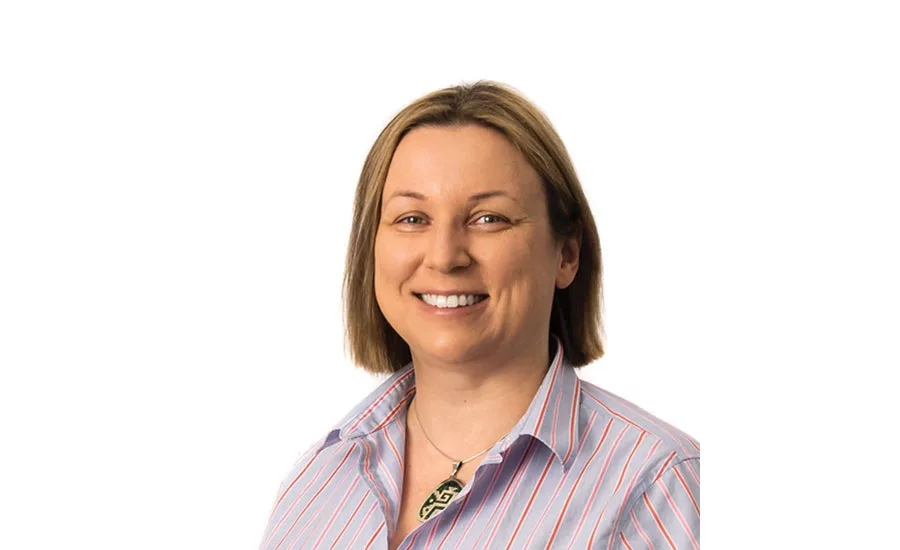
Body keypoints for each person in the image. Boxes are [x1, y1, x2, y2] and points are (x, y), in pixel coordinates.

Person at [259, 81, 700, 549]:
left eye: (489, 218)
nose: (445, 256)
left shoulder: (659, 486)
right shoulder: (320, 478)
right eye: (412, 219)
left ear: (567, 254)